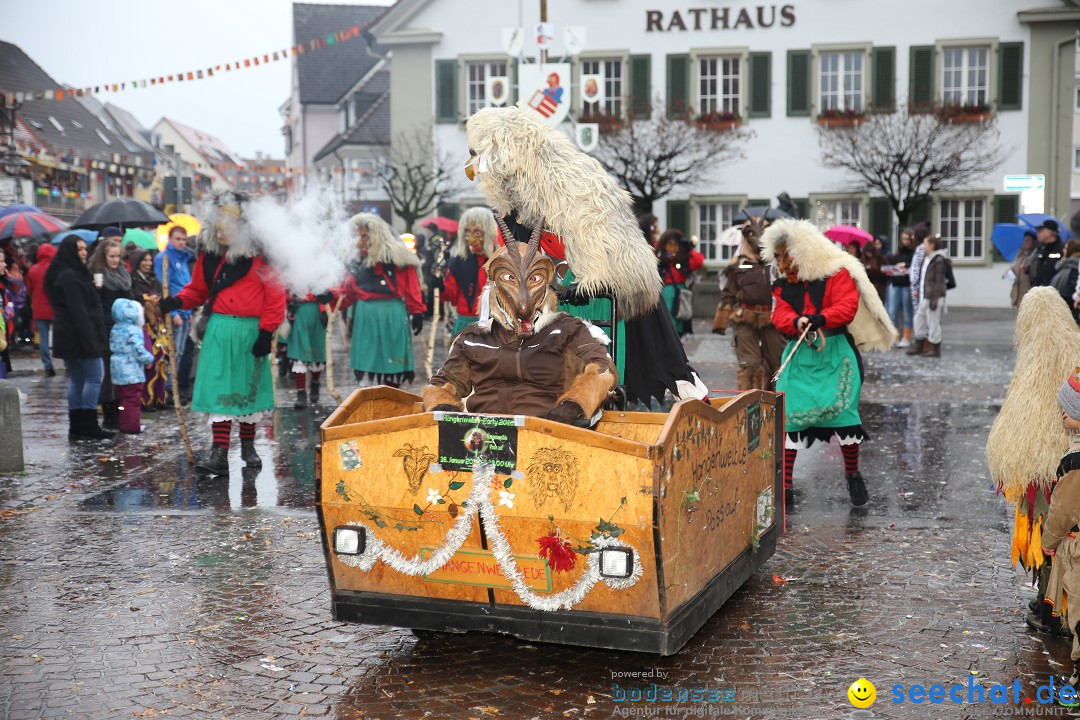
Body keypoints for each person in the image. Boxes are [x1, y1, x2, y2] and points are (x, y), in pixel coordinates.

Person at [763, 219, 896, 508]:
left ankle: (853, 474)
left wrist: (821, 318)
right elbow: (779, 314)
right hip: (800, 354)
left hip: (835, 352)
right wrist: (795, 320)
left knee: (844, 414)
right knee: (791, 415)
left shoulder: (838, 273)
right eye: (778, 255)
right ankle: (785, 486)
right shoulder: (782, 285)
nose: (782, 262)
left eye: (787, 254)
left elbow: (846, 306)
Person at [422, 236, 617, 422]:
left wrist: (574, 405)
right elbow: (444, 383)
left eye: (534, 278)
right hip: (483, 436)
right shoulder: (473, 337)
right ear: (494, 285)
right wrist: (442, 406)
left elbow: (601, 368)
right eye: (509, 277)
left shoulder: (567, 330)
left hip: (545, 431)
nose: (523, 300)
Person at [159, 195, 286, 475]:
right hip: (218, 329)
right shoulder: (210, 256)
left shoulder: (262, 258)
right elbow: (197, 290)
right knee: (219, 391)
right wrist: (178, 302)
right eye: (218, 223)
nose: (220, 229)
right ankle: (219, 453)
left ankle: (249, 445)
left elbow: (275, 297)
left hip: (250, 331)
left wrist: (266, 332)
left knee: (246, 391)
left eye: (227, 222)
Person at [987, 288, 1080, 639]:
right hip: (1072, 467)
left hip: (1048, 474)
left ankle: (1049, 609)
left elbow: (1013, 426)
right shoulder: (1077, 347)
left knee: (1047, 539)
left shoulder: (1033, 361)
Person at [339, 213, 426, 388]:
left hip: (392, 314)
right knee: (367, 361)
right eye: (356, 236)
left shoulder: (398, 257)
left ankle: (391, 402)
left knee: (393, 362)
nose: (359, 242)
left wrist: (417, 311)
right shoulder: (354, 261)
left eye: (364, 236)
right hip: (365, 314)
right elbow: (345, 291)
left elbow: (411, 286)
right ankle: (370, 403)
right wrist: (330, 300)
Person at [44, 234, 114, 439]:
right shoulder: (70, 275)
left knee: (78, 380)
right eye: (79, 249)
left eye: (85, 248)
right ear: (70, 251)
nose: (84, 252)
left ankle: (77, 426)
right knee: (93, 377)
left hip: (70, 336)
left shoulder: (68, 273)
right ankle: (89, 425)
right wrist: (91, 341)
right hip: (80, 336)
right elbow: (79, 311)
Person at [1041, 373, 1080, 702]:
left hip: (1078, 548)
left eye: (1065, 409)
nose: (1060, 414)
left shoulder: (1074, 462)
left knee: (1079, 614)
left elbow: (1062, 510)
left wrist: (1049, 541)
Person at [714, 215, 785, 390]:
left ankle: (773, 404)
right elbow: (728, 293)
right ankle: (747, 406)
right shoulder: (738, 264)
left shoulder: (778, 264)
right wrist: (720, 322)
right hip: (745, 318)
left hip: (771, 318)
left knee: (778, 364)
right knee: (749, 365)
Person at [87, 236, 133, 429]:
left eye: (118, 256)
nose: (115, 260)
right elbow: (93, 305)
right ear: (103, 257)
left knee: (122, 371)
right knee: (107, 372)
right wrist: (96, 289)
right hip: (106, 328)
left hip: (123, 329)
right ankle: (108, 414)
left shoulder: (123, 274)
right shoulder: (98, 274)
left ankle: (121, 412)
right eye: (111, 256)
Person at [443, 207, 499, 336]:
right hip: (464, 324)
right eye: (467, 233)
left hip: (494, 326)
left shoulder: (500, 262)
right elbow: (450, 296)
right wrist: (438, 285)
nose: (471, 240)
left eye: (477, 233)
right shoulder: (458, 262)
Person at [154, 225, 193, 400]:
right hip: (174, 312)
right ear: (169, 239)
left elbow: (186, 285)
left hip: (185, 312)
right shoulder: (164, 258)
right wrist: (174, 311)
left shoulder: (184, 258)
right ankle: (168, 389)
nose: (181, 243)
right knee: (172, 352)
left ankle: (174, 388)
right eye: (177, 239)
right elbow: (164, 286)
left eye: (184, 239)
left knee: (180, 352)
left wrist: (189, 308)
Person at [129, 249, 168, 410]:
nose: (148, 263)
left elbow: (163, 296)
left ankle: (159, 398)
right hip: (143, 327)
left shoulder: (154, 279)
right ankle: (145, 399)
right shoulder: (133, 280)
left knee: (160, 362)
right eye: (144, 260)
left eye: (149, 260)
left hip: (158, 326)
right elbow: (134, 300)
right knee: (148, 362)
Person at [109, 298, 154, 434]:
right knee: (132, 400)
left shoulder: (115, 328)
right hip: (131, 370)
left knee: (123, 400)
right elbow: (138, 349)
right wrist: (149, 359)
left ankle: (124, 423)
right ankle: (132, 426)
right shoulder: (133, 330)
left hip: (117, 368)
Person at [284, 290, 334, 408]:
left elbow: (334, 289)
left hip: (318, 311)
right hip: (299, 311)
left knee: (317, 354)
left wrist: (328, 294)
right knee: (299, 354)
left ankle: (315, 383)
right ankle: (301, 393)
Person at [656, 229, 704, 337]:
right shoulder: (659, 260)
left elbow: (698, 261)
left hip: (680, 294)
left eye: (676, 245)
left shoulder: (684, 260)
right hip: (664, 292)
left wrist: (688, 248)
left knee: (679, 320)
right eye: (670, 244)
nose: (673, 248)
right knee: (666, 321)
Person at [909, 235, 949, 358]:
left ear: (932, 245)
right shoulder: (927, 258)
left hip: (933, 296)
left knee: (933, 322)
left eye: (925, 244)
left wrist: (934, 300)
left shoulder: (939, 260)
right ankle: (919, 344)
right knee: (918, 319)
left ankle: (934, 348)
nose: (923, 247)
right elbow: (924, 278)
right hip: (925, 295)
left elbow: (938, 282)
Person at [25, 243, 56, 376]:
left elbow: (29, 289)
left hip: (39, 308)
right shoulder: (56, 268)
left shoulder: (33, 269)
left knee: (43, 337)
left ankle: (47, 366)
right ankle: (67, 364)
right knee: (60, 336)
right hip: (55, 308)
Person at [885, 228, 915, 348]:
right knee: (893, 311)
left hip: (907, 285)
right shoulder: (897, 253)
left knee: (907, 312)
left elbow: (915, 266)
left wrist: (906, 266)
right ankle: (896, 336)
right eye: (903, 239)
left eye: (907, 239)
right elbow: (891, 265)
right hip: (896, 283)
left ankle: (906, 337)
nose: (905, 241)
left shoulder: (913, 254)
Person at [905, 224, 932, 356]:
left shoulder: (921, 249)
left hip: (917, 288)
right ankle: (921, 342)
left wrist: (916, 286)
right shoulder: (919, 248)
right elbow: (916, 268)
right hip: (916, 286)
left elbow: (921, 268)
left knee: (920, 316)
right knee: (919, 316)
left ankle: (924, 343)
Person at [1029, 219, 1066, 289]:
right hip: (1038, 290)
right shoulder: (1040, 248)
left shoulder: (1062, 249)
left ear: (1048, 233)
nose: (1037, 234)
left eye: (1040, 231)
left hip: (1053, 291)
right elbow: (1039, 268)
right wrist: (1028, 269)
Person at [1051, 240, 1080, 324]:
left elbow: (1071, 289)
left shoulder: (1074, 266)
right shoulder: (1065, 265)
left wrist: (1055, 301)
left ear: (1072, 250)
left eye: (1066, 248)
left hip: (1068, 312)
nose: (1063, 250)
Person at [1011, 231, 1037, 309]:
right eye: (1024, 239)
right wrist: (1010, 271)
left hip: (1028, 292)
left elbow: (1034, 274)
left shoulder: (1034, 256)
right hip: (1018, 291)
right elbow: (1016, 270)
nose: (1025, 242)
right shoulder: (1020, 255)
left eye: (1028, 240)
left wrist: (1027, 269)